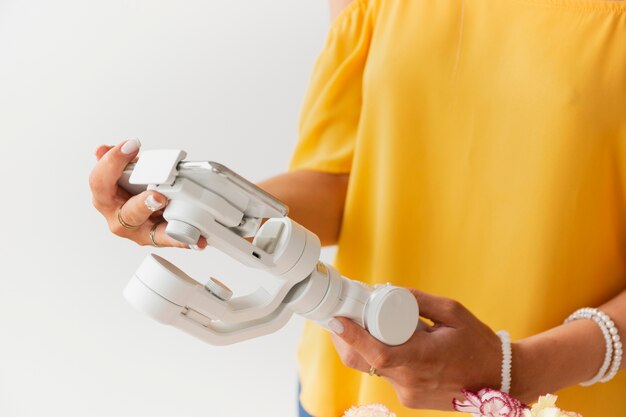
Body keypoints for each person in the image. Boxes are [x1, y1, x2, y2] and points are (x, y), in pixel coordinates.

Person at [89, 0, 626, 416]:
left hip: (565, 392)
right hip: (356, 391)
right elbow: (342, 181)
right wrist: (212, 206)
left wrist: (517, 370)